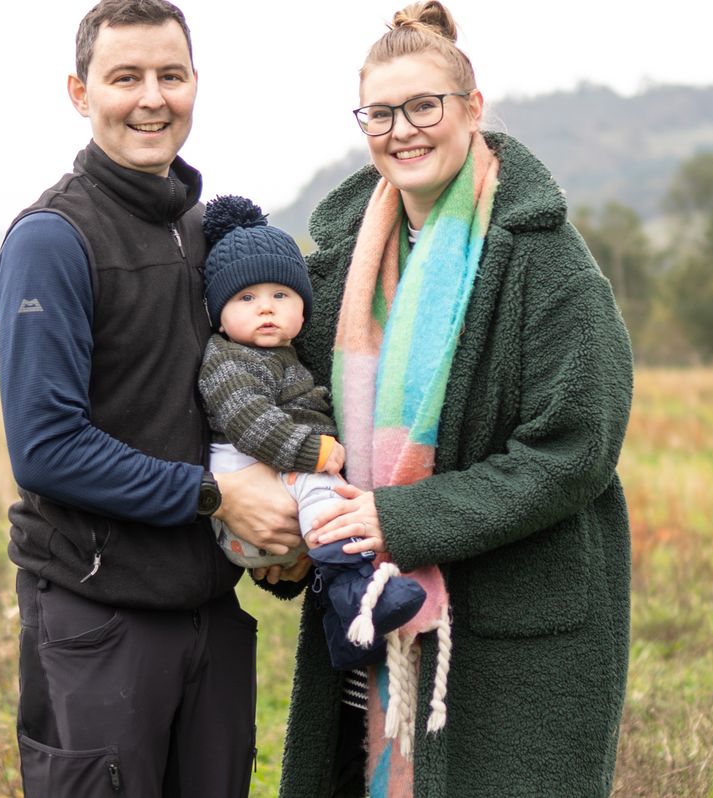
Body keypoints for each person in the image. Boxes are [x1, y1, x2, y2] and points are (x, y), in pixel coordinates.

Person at [264, 2, 635, 796]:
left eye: (424, 106)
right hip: (376, 618)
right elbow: (293, 410)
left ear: (471, 108)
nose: (403, 130)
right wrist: (289, 521)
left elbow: (574, 451)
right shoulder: (336, 271)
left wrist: (399, 520)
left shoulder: (545, 261)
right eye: (381, 113)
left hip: (515, 630)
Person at [0, 1, 300, 795]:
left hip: (212, 616)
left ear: (197, 83)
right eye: (125, 77)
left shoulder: (206, 237)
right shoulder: (51, 240)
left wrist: (287, 524)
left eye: (170, 74)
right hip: (100, 619)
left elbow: (246, 392)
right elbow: (46, 448)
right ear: (78, 91)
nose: (151, 97)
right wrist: (215, 497)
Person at [197, 195, 426, 668]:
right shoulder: (227, 359)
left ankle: (346, 627)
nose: (266, 308)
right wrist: (312, 450)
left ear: (303, 311)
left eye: (281, 296)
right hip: (245, 480)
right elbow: (249, 422)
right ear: (218, 315)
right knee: (326, 492)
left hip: (276, 505)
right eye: (246, 298)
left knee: (335, 498)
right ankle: (362, 594)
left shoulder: (284, 358)